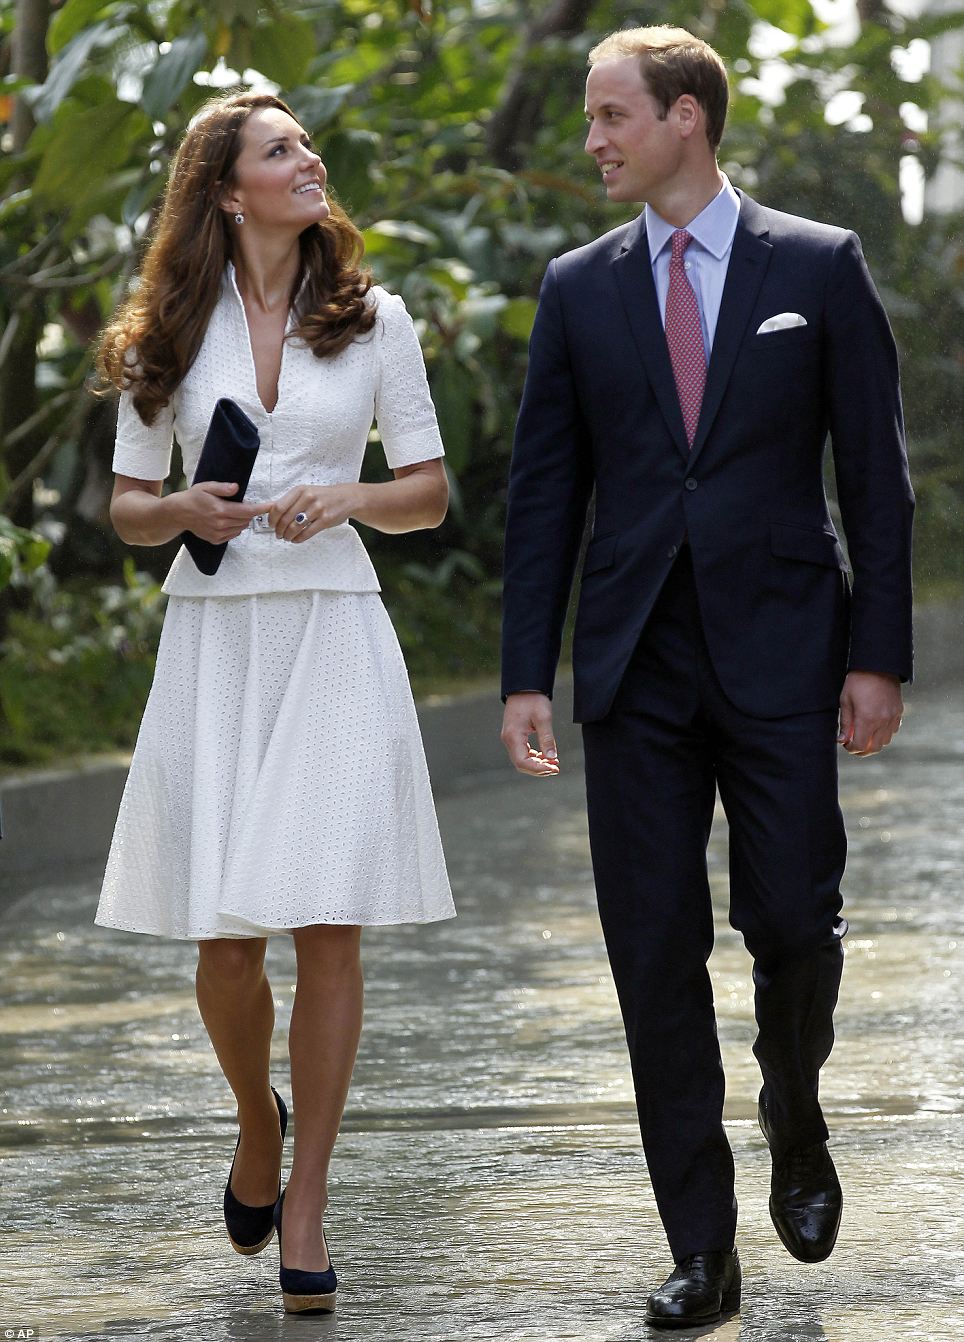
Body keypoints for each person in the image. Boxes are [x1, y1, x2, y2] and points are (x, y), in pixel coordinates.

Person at [500, 25, 913, 1330]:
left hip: (786, 644)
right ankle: (701, 1248)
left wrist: (878, 653)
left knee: (792, 916)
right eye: (590, 117)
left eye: (612, 114)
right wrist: (525, 670)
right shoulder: (579, 287)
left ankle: (794, 1102)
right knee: (651, 949)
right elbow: (545, 491)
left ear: (687, 116)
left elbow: (876, 475)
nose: (594, 139)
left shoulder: (818, 265)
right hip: (634, 662)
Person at [94, 91, 454, 1316]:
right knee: (226, 943)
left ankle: (307, 1202)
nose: (309, 159)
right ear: (226, 188)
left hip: (333, 627)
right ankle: (258, 1116)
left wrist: (349, 498)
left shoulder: (374, 318)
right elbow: (129, 506)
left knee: (328, 926)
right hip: (216, 640)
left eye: (305, 145)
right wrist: (181, 508)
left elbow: (428, 490)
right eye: (280, 149)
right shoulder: (166, 326)